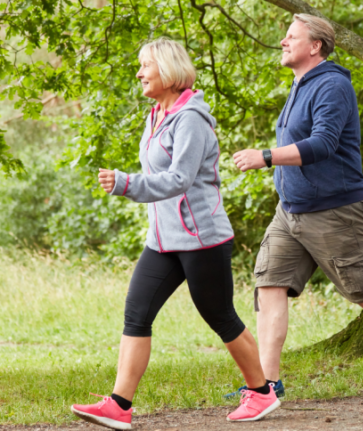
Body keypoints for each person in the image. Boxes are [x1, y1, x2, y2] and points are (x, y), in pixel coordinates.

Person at [70, 39, 280, 430]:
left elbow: (180, 178)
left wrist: (126, 183)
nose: (139, 73)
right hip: (163, 241)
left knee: (220, 316)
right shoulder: (157, 114)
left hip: (202, 238)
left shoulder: (191, 119)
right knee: (137, 312)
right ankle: (119, 404)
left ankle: (262, 393)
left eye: (145, 65)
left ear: (167, 70)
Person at [232, 14, 363, 396]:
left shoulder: (331, 85)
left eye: (291, 36)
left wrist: (266, 156)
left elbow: (323, 144)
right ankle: (266, 384)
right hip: (290, 210)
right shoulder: (300, 85)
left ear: (315, 46)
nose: (283, 41)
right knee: (269, 285)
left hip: (333, 211)